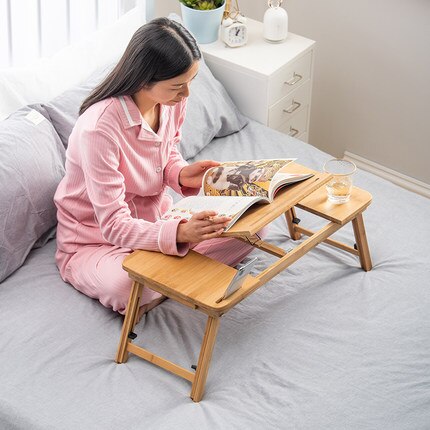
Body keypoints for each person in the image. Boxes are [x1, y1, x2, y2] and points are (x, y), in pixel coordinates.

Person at [54, 18, 263, 318]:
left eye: (191, 81)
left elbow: (167, 152)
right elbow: (113, 226)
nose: (186, 94)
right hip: (96, 241)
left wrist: (178, 173)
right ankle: (169, 278)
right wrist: (180, 234)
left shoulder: (172, 101)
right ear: (143, 80)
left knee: (253, 227)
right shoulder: (98, 130)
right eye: (178, 86)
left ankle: (162, 281)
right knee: (124, 286)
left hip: (159, 220)